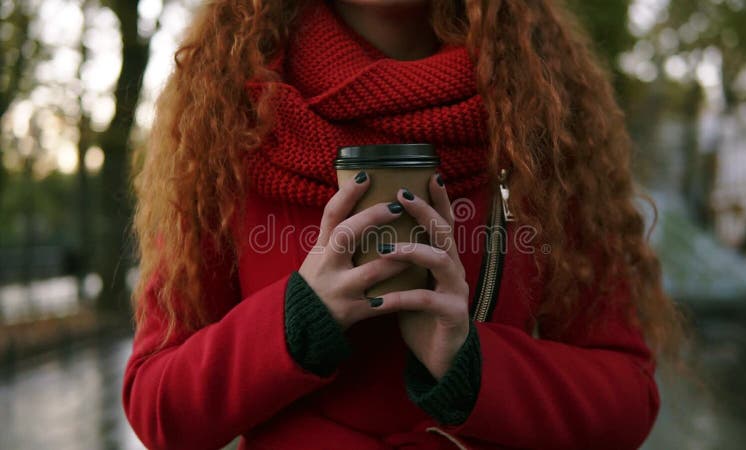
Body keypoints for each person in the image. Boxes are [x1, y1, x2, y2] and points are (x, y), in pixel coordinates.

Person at [124, 0, 685, 449]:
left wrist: (471, 365)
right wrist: (294, 324)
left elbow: (628, 398)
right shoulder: (224, 108)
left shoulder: (547, 112)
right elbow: (157, 407)